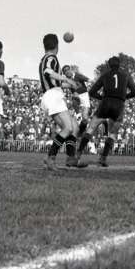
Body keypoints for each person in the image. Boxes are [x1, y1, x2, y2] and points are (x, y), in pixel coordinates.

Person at [76, 56, 135, 167]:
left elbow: (92, 92)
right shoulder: (126, 76)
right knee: (113, 133)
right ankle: (103, 158)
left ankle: (78, 154)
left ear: (109, 66)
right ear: (119, 65)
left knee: (91, 128)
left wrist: (102, 98)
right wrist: (124, 97)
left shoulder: (105, 75)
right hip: (119, 105)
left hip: (105, 103)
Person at [39, 33, 80, 170]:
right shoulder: (51, 57)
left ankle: (70, 158)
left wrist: (71, 84)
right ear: (57, 45)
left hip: (52, 95)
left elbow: (54, 81)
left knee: (73, 127)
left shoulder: (46, 58)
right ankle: (50, 157)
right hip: (53, 96)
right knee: (68, 128)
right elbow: (48, 71)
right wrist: (66, 78)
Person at [62, 65, 91, 137]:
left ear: (70, 69)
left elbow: (89, 80)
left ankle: (81, 131)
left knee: (85, 118)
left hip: (84, 96)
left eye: (68, 69)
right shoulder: (66, 80)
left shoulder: (77, 75)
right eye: (65, 71)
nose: (67, 72)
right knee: (74, 98)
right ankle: (78, 115)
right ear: (64, 74)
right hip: (76, 97)